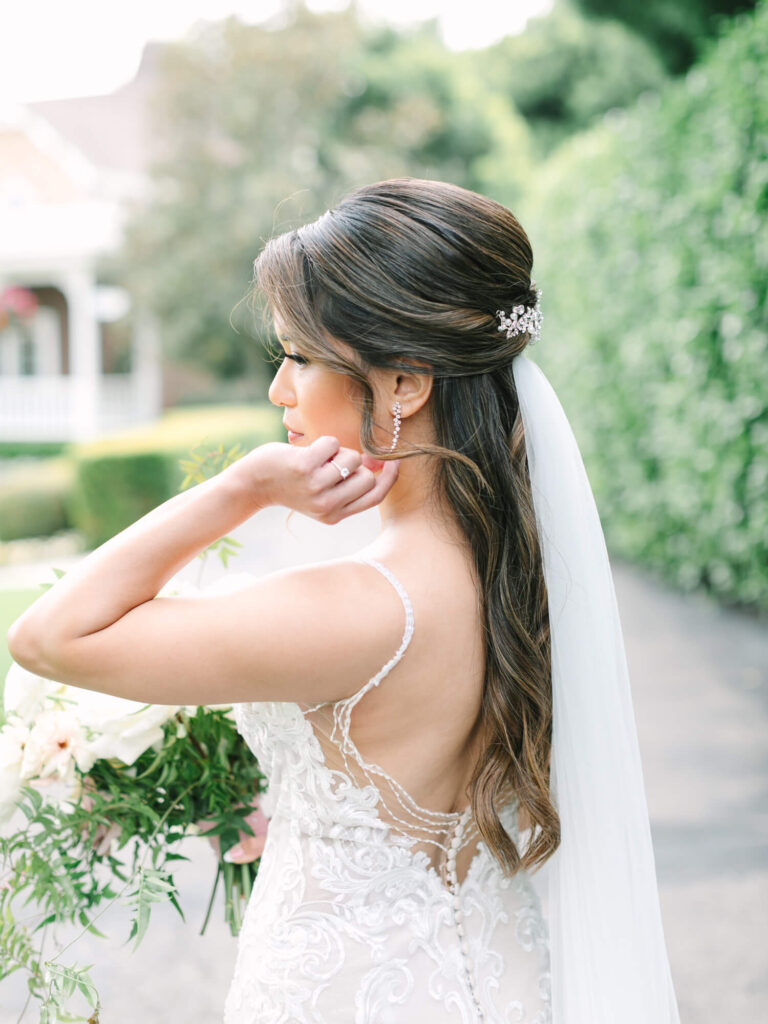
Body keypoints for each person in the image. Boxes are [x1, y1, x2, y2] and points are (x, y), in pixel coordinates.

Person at [7, 178, 680, 1023]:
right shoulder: (514, 565)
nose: (278, 392)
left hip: (348, 992)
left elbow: (50, 635)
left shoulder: (364, 607)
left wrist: (241, 486)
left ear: (405, 383)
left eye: (298, 355)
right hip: (494, 976)